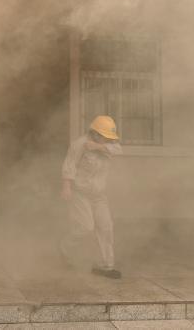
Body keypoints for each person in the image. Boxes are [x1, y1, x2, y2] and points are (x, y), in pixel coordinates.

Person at [60, 115, 123, 279]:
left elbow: (119, 150)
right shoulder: (79, 144)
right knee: (85, 227)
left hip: (99, 195)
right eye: (105, 137)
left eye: (110, 138)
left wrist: (98, 147)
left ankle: (104, 266)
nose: (109, 140)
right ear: (94, 133)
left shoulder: (107, 144)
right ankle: (65, 250)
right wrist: (66, 187)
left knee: (106, 227)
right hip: (80, 193)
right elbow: (69, 165)